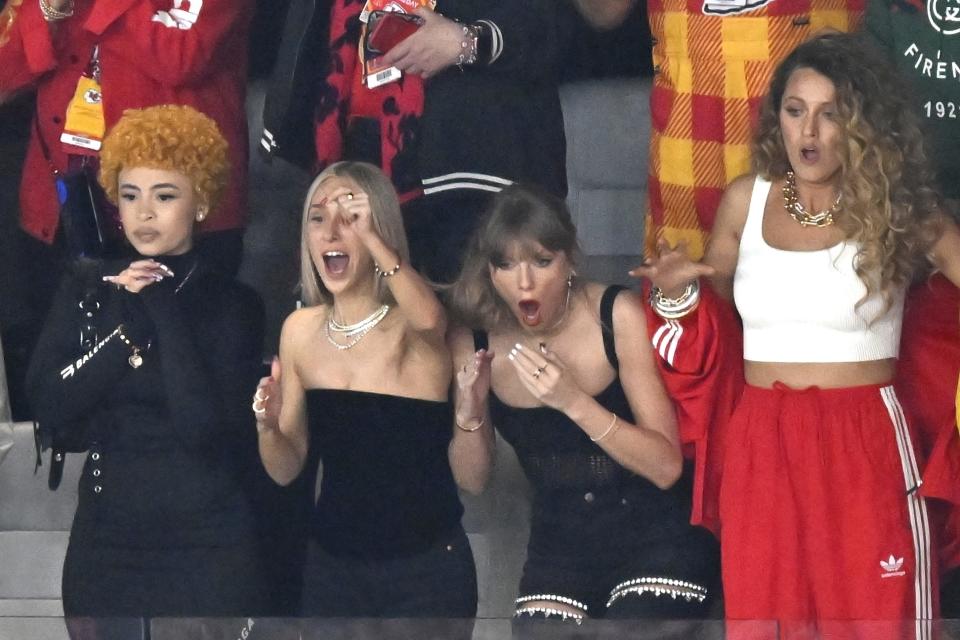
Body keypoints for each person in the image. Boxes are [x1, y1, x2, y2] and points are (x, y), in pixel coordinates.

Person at [633, 32, 960, 633]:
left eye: (830, 114)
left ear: (862, 125)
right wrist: (675, 293)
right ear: (776, 117)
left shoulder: (898, 207)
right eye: (794, 110)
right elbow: (714, 329)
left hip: (866, 437)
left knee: (881, 622)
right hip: (762, 438)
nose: (808, 132)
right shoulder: (744, 201)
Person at [26, 105, 266, 621]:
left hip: (208, 543)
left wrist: (158, 305)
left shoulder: (233, 305)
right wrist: (126, 334)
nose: (144, 213)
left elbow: (203, 428)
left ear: (200, 202)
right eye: (130, 195)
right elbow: (48, 403)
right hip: (106, 543)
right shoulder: (88, 288)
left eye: (165, 195)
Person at [447, 184, 720, 624]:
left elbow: (666, 467)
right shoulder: (475, 340)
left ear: (569, 260)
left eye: (541, 261)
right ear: (489, 271)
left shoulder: (615, 313)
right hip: (562, 545)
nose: (524, 283)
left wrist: (573, 401)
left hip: (654, 531)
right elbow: (474, 482)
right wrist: (470, 416)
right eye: (506, 264)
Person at [253, 161, 478, 622]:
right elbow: (284, 469)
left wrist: (377, 242)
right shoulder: (299, 330)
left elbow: (431, 321)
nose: (332, 233)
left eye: (350, 218)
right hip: (333, 569)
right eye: (318, 218)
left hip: (427, 570)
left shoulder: (422, 322)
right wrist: (268, 427)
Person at [313, 0, 572, 282]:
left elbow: (557, 27)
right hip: (357, 159)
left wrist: (466, 41)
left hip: (476, 167)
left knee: (478, 316)